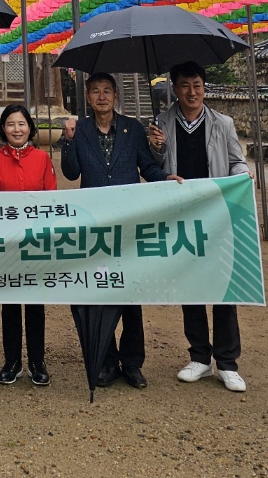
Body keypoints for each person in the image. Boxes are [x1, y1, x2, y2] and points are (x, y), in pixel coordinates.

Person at [61, 71, 180, 390]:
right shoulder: (81, 128)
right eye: (95, 91)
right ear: (87, 97)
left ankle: (132, 362)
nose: (101, 96)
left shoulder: (132, 129)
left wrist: (163, 170)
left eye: (107, 91)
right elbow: (71, 173)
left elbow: (148, 168)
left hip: (128, 221)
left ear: (116, 96)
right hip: (94, 222)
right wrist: (69, 141)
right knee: (100, 290)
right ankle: (106, 360)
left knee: (130, 293)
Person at [148, 61, 251, 393]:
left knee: (223, 284)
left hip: (216, 212)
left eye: (197, 85)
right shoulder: (161, 124)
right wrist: (157, 147)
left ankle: (228, 362)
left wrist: (241, 177)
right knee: (190, 284)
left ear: (204, 87)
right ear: (174, 89)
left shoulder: (223, 123)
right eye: (184, 86)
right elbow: (153, 168)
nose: (192, 92)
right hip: (182, 213)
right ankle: (199, 357)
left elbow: (237, 160)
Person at [0, 103, 56, 387]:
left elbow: (51, 197)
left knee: (35, 304)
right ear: (2, 130)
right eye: (10, 125)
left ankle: (37, 361)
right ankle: (12, 360)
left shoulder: (42, 158)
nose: (17, 129)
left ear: (30, 127)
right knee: (9, 303)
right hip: (6, 240)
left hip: (34, 240)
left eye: (21, 124)